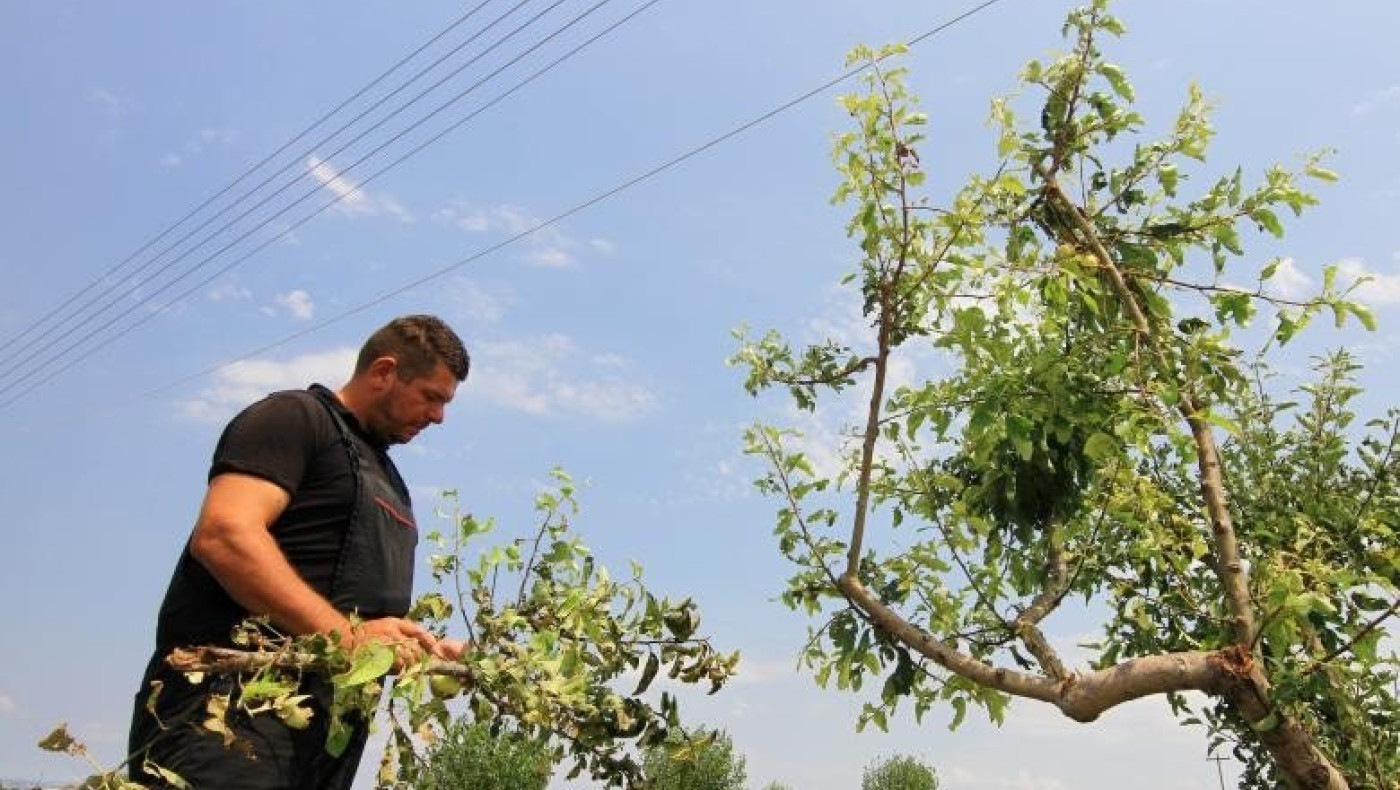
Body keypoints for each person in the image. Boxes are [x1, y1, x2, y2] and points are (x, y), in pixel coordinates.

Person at [128, 314, 471, 789]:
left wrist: (426, 653)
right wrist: (347, 640)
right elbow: (226, 534)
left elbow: (363, 619)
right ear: (384, 371)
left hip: (321, 743)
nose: (438, 417)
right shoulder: (294, 418)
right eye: (431, 397)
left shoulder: (389, 480)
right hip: (232, 721)